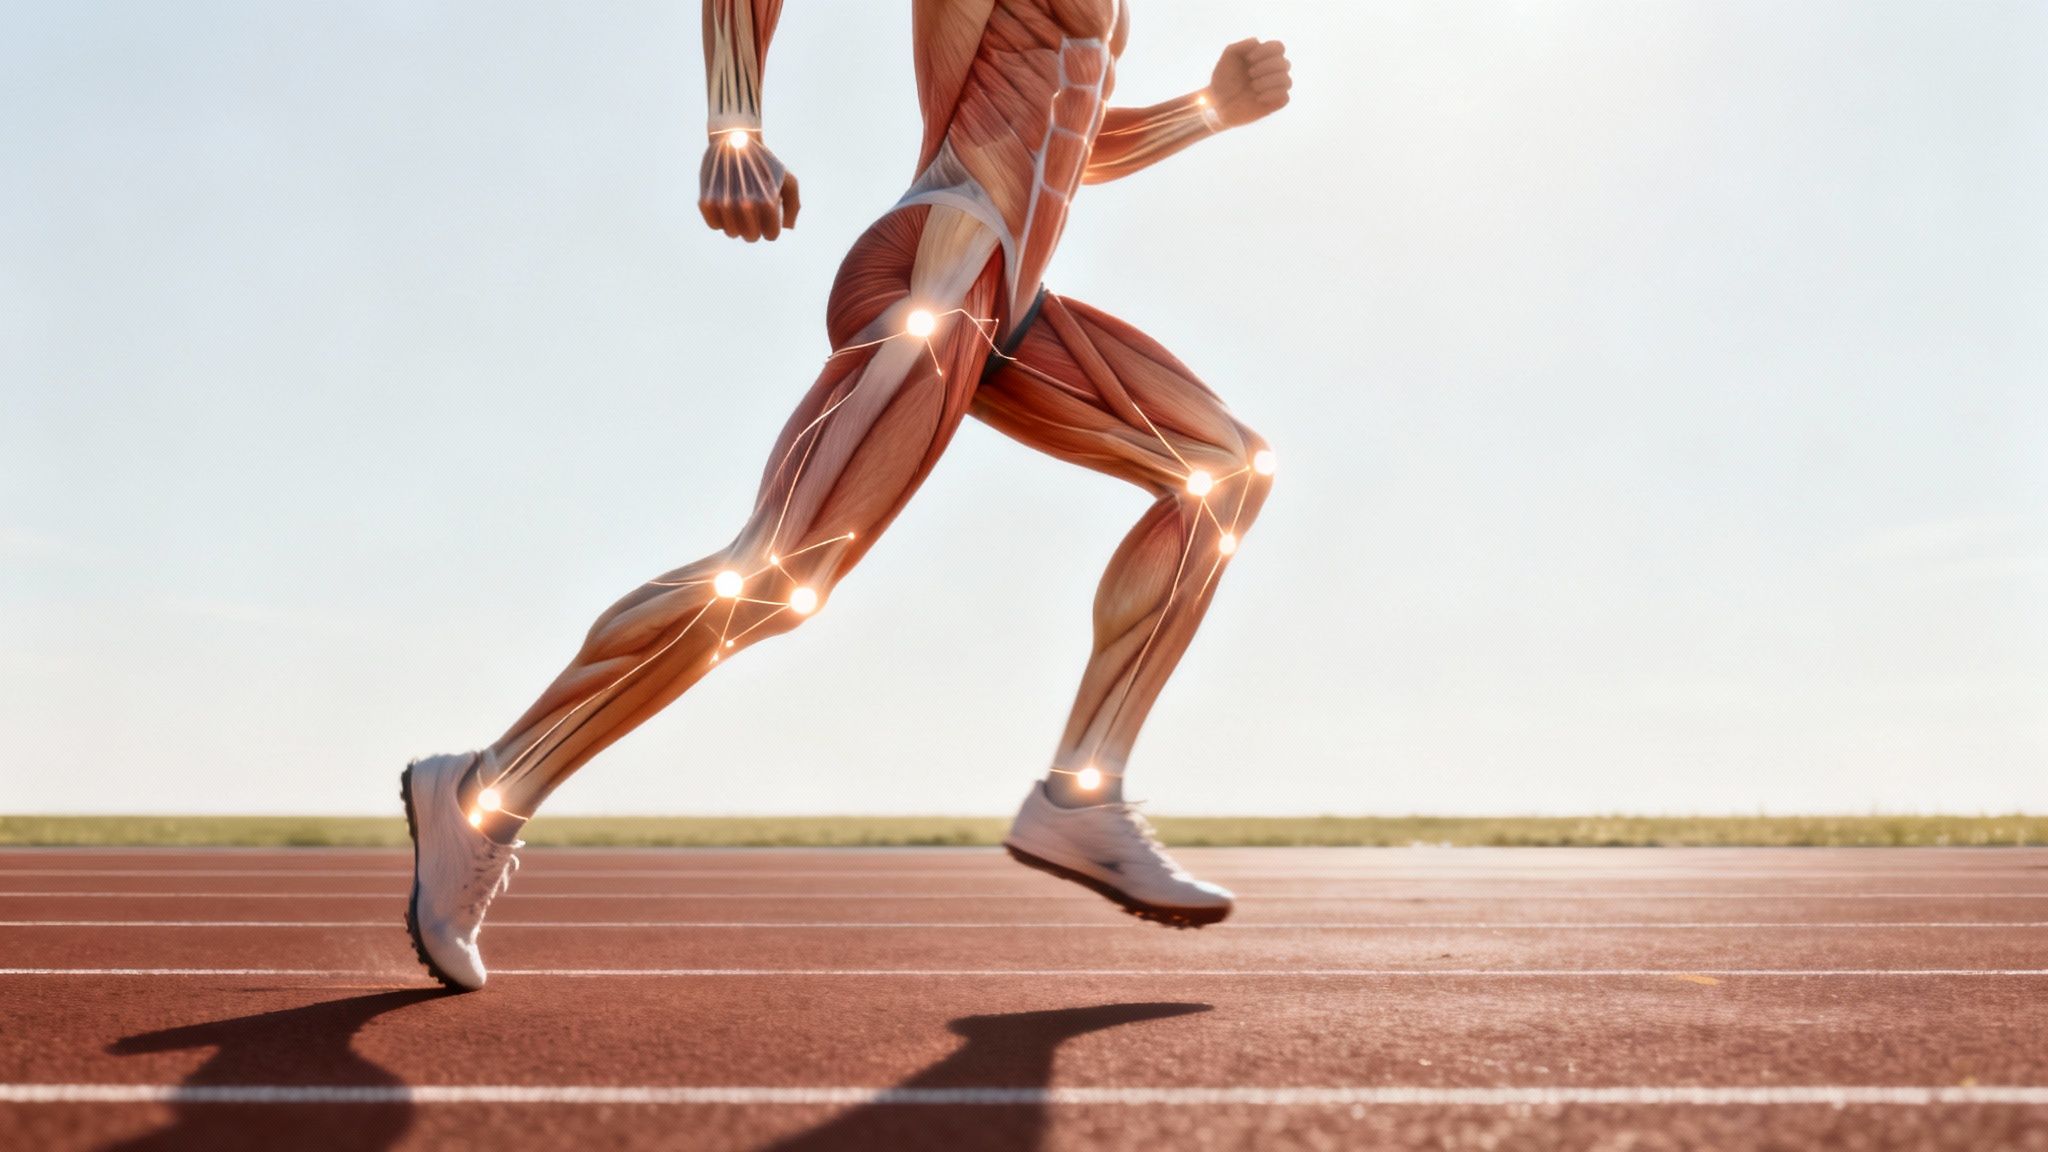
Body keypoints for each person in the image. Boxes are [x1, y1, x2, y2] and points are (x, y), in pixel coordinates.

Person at [404, 0, 1293, 990]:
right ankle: (483, 790)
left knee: (1221, 472)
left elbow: (1068, 137)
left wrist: (1204, 110)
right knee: (780, 574)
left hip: (1005, 303)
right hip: (938, 263)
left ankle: (1081, 794)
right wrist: (733, 125)